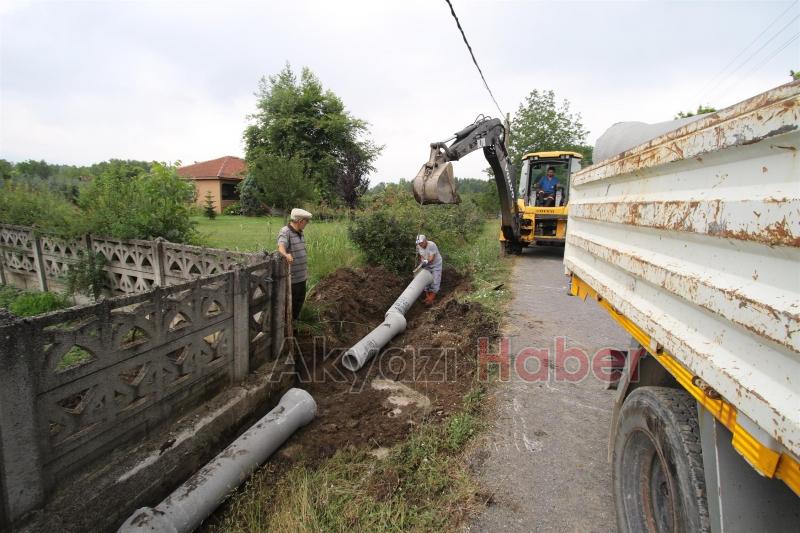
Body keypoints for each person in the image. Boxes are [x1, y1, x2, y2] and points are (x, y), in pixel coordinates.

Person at [277, 208, 312, 321]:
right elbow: (281, 246)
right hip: (293, 279)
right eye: (306, 221)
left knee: (299, 302)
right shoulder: (285, 231)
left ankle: (294, 323)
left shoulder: (300, 232)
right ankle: (287, 326)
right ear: (300, 221)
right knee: (291, 305)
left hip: (302, 276)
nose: (307, 224)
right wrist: (286, 255)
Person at [415, 234, 442, 305]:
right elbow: (421, 256)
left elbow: (431, 258)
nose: (420, 245)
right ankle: (428, 298)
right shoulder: (418, 246)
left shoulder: (431, 245)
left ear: (425, 241)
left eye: (421, 243)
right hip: (427, 265)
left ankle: (431, 299)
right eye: (419, 243)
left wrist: (426, 261)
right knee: (425, 281)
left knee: (435, 280)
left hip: (436, 265)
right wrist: (423, 262)